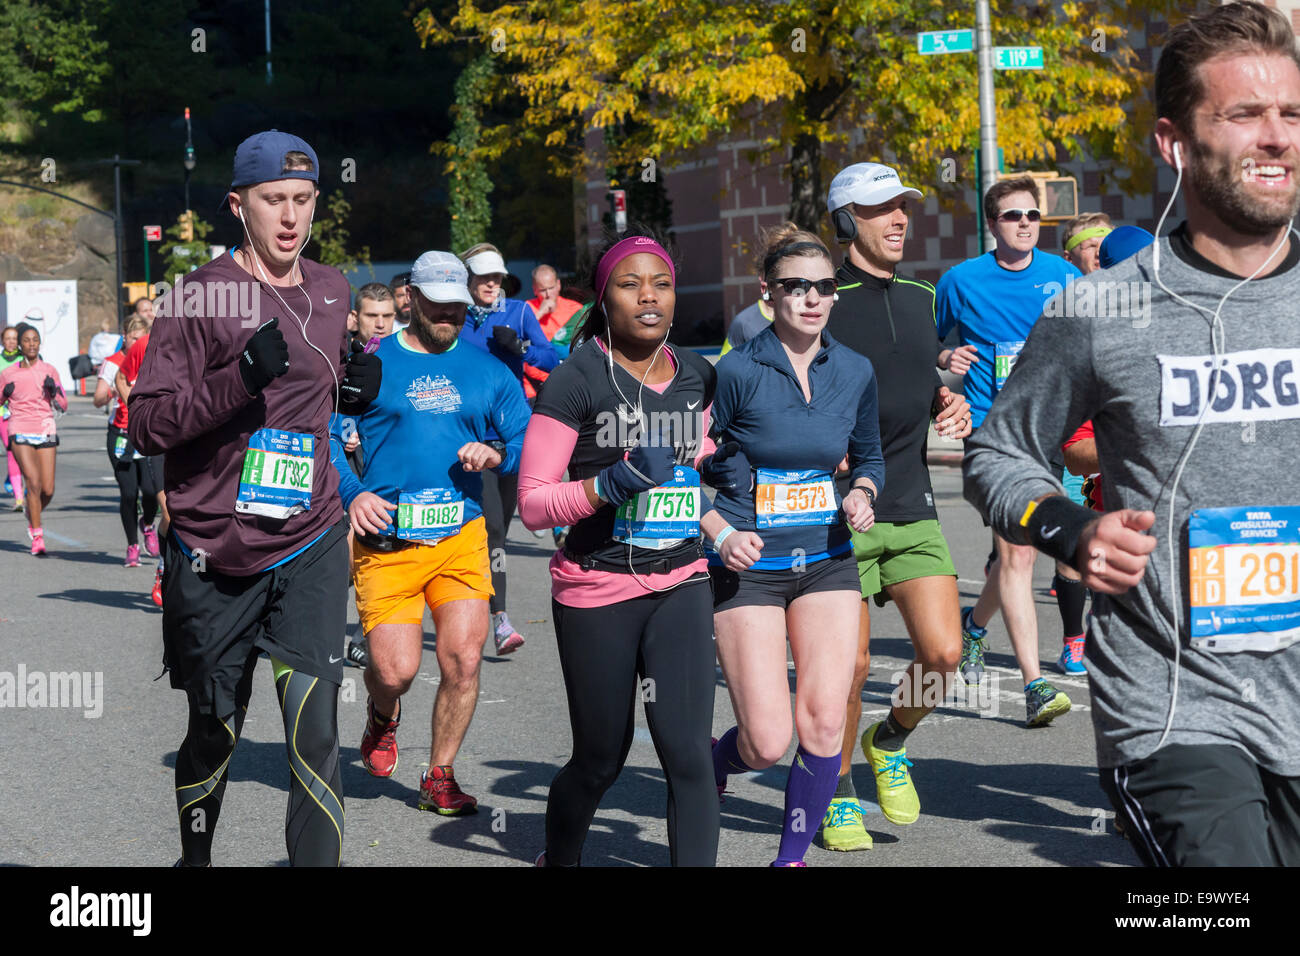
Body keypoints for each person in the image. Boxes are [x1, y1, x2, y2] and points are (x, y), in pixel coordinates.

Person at [965, 0, 1300, 866]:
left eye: (1291, 113)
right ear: (1174, 142)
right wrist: (1071, 529)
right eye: (1244, 115)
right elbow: (998, 451)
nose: (1277, 137)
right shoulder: (1100, 308)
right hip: (1177, 706)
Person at [128, 130, 381, 867]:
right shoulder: (199, 295)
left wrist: (360, 386)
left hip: (310, 536)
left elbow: (331, 378)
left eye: (303, 200)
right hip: (213, 549)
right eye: (274, 200)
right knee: (216, 729)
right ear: (239, 204)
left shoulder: (333, 289)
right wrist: (236, 378)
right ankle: (196, 860)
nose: (291, 216)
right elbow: (147, 424)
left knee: (315, 732)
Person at [517, 227, 721, 866]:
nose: (649, 297)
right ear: (603, 299)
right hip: (597, 588)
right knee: (601, 757)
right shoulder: (575, 380)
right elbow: (532, 504)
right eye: (630, 285)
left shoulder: (698, 375)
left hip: (681, 581)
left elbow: (704, 470)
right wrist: (612, 483)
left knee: (689, 755)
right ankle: (561, 857)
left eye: (661, 283)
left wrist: (726, 495)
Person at [707, 228, 885, 867]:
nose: (812, 298)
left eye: (824, 287)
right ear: (767, 293)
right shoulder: (733, 370)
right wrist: (721, 533)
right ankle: (716, 760)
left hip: (828, 561)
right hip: (750, 569)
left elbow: (869, 456)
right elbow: (684, 469)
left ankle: (790, 860)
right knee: (766, 740)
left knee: (825, 725)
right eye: (795, 286)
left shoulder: (855, 369)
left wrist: (863, 491)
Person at [334, 250, 530, 813]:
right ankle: (382, 713)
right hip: (388, 539)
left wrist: (495, 453)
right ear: (410, 300)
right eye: (438, 305)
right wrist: (354, 494)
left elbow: (526, 441)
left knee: (463, 661)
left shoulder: (487, 369)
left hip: (459, 537)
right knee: (395, 671)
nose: (449, 316)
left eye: (458, 307)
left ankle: (439, 774)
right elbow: (326, 435)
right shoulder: (369, 365)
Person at [817, 165, 971, 851]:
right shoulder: (820, 298)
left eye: (903, 207)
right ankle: (837, 789)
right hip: (834, 513)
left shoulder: (921, 294)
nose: (899, 219)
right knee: (846, 669)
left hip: (911, 501)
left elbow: (915, 372)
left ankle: (891, 739)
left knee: (944, 652)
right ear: (847, 220)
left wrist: (949, 398)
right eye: (880, 209)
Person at [935, 174, 1082, 726]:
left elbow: (1085, 340)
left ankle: (974, 626)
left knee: (1013, 554)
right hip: (992, 437)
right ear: (992, 225)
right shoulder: (961, 280)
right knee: (1019, 554)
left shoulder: (1061, 276)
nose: (1024, 224)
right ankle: (1034, 685)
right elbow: (931, 342)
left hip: (1046, 431)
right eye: (1013, 216)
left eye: (1032, 216)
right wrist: (945, 365)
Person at [458, 242, 559, 653]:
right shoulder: (455, 316)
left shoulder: (519, 312)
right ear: (468, 279)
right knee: (494, 528)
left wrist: (521, 349)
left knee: (497, 525)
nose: (491, 284)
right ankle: (499, 617)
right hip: (469, 433)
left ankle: (479, 601)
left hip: (513, 432)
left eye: (496, 277)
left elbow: (551, 358)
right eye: (483, 277)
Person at [334, 282, 399, 668]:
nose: (380, 324)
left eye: (387, 316)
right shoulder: (338, 353)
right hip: (341, 466)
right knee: (342, 556)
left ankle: (363, 634)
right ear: (356, 318)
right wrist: (344, 429)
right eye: (372, 316)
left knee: (378, 549)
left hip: (385, 469)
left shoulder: (403, 354)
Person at [95, 315, 160, 566]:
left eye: (142, 337)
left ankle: (148, 523)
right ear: (125, 336)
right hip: (120, 434)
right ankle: (132, 545)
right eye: (134, 338)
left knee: (152, 491)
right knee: (129, 492)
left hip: (145, 435)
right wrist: (113, 389)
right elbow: (98, 399)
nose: (139, 342)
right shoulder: (113, 363)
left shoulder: (151, 358)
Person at [0, 322, 67, 554]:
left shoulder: (49, 370)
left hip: (46, 427)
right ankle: (37, 536)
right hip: (19, 427)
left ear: (40, 343)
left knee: (48, 489)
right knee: (33, 481)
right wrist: (4, 394)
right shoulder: (8, 373)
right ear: (20, 344)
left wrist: (53, 391)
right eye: (26, 340)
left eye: (35, 340)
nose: (31, 344)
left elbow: (63, 404)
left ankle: (32, 511)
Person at [1, 326, 25, 511]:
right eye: (7, 338)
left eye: (14, 338)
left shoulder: (23, 360)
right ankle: (18, 496)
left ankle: (15, 485)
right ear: (2, 341)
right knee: (11, 450)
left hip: (21, 412)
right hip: (2, 412)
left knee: (19, 452)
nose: (10, 341)